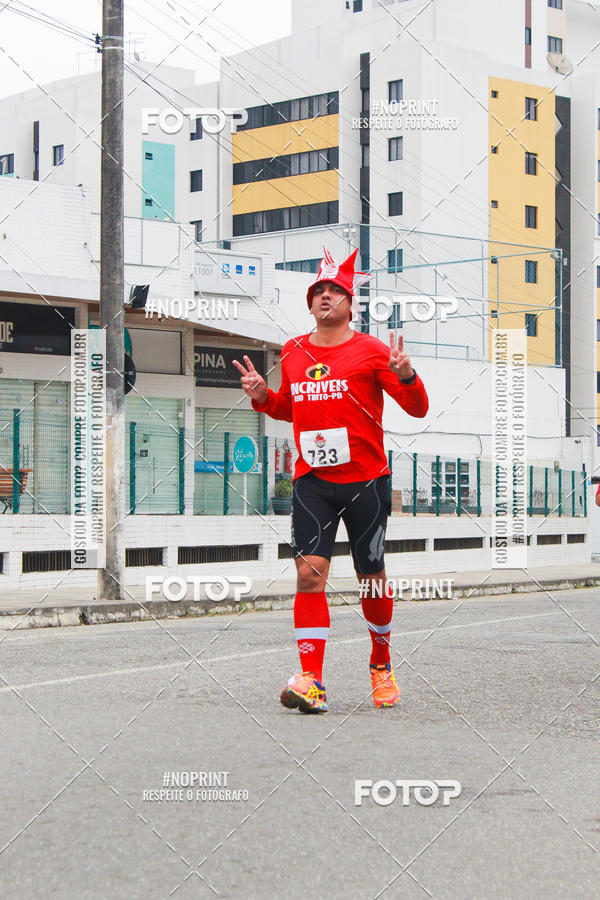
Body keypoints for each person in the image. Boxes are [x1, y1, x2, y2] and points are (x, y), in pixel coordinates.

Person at [233, 248, 429, 713]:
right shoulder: (293, 351)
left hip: (366, 482)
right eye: (318, 291)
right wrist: (263, 396)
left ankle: (380, 662)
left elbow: (417, 409)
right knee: (308, 574)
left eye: (334, 291)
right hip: (312, 482)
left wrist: (408, 375)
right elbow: (290, 408)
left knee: (372, 581)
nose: (325, 297)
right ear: (310, 302)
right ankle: (311, 680)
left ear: (350, 303)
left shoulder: (373, 351)